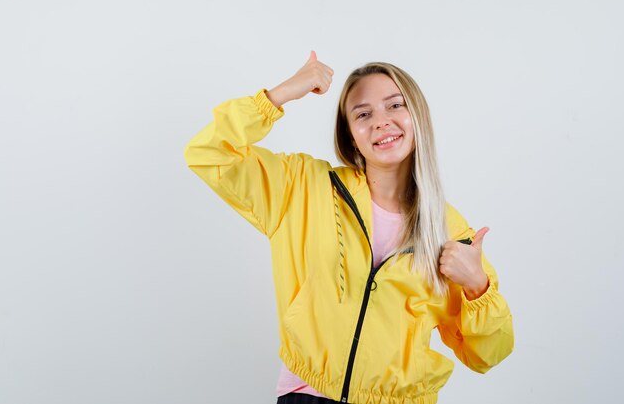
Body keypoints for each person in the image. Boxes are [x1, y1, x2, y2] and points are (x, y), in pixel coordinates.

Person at [183, 51, 514, 404]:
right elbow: (208, 153)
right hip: (308, 394)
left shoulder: (449, 231)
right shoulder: (304, 187)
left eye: (395, 106)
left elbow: (488, 355)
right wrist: (278, 96)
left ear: (417, 116)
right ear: (350, 135)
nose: (380, 122)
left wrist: (478, 287)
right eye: (363, 113)